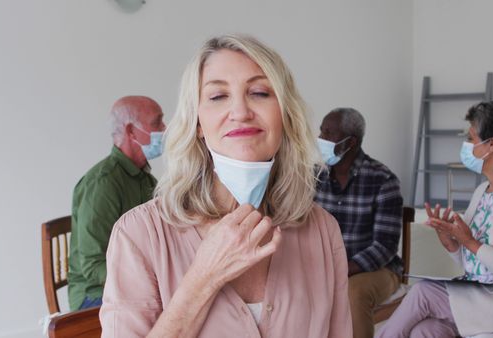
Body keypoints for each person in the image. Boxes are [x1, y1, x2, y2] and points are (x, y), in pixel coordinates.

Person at [99, 35, 352, 338]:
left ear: (284, 115)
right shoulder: (139, 234)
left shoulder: (323, 231)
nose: (241, 111)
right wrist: (204, 277)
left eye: (259, 92)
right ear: (197, 124)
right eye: (218, 96)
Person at [377, 101, 493, 337]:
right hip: (489, 296)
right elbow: (478, 266)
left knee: (423, 293)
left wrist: (469, 242)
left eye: (470, 138)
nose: (466, 145)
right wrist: (453, 243)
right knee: (425, 331)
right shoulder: (483, 192)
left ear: (491, 145)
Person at [68, 96, 166, 311]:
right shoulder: (103, 183)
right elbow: (93, 267)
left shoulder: (146, 179)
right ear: (131, 131)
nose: (164, 129)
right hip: (94, 295)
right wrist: (146, 284)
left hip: (137, 285)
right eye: (157, 122)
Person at [315, 107, 403, 338]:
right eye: (321, 131)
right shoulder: (313, 177)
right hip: (327, 267)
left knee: (354, 292)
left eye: (328, 133)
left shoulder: (383, 180)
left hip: (377, 269)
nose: (320, 139)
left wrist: (342, 269)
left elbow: (385, 246)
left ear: (350, 142)